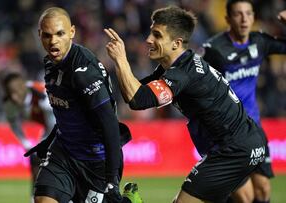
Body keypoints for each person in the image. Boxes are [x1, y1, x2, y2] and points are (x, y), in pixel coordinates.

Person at [104, 5, 267, 203]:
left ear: (176, 43)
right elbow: (137, 90)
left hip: (232, 150)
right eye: (150, 32)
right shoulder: (176, 66)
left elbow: (138, 100)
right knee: (242, 198)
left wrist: (121, 60)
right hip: (243, 143)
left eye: (157, 35)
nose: (148, 40)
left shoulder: (183, 73)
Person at [27, 7, 139, 203]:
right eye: (47, 35)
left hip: (96, 159)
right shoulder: (50, 64)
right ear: (39, 35)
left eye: (60, 34)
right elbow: (66, 111)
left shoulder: (84, 73)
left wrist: (112, 180)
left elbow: (110, 125)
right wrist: (48, 140)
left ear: (72, 32)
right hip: (64, 152)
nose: (53, 41)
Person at [201, 1, 286, 202]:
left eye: (248, 13)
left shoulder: (259, 42)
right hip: (227, 133)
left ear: (254, 16)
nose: (244, 19)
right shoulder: (214, 50)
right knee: (244, 197)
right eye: (238, 14)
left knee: (263, 190)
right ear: (228, 19)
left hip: (254, 127)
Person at [1, 71, 56, 202]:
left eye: (17, 90)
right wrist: (26, 143)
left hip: (66, 124)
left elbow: (55, 123)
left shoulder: (43, 95)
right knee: (35, 159)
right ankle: (35, 196)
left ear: (24, 86)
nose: (15, 96)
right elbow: (14, 124)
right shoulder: (9, 103)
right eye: (11, 92)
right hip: (50, 128)